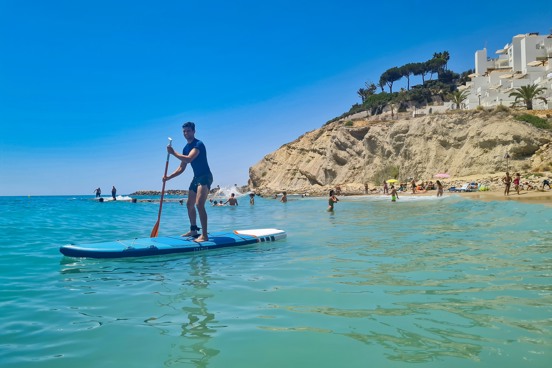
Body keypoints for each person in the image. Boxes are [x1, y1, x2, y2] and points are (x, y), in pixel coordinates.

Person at [163, 121, 213, 242]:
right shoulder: (185, 148)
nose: (186, 133)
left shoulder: (198, 144)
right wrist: (169, 177)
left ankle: (204, 236)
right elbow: (182, 168)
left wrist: (173, 152)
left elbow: (189, 159)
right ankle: (194, 230)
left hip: (205, 177)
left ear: (194, 131)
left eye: (188, 131)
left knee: (199, 205)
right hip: (196, 178)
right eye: (184, 131)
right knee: (189, 204)